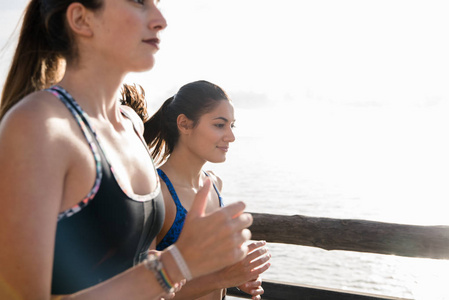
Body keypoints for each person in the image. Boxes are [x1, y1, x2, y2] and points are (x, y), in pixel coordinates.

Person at [0, 1, 253, 299]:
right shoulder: (39, 125)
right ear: (82, 19)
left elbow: (140, 279)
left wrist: (211, 269)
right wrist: (176, 265)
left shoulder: (132, 129)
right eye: (138, 2)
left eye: (156, 4)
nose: (160, 20)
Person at [122, 80, 271, 300]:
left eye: (232, 125)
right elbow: (143, 291)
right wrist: (224, 277)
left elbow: (207, 272)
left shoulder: (214, 184)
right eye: (220, 125)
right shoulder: (156, 192)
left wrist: (239, 275)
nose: (231, 136)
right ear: (184, 124)